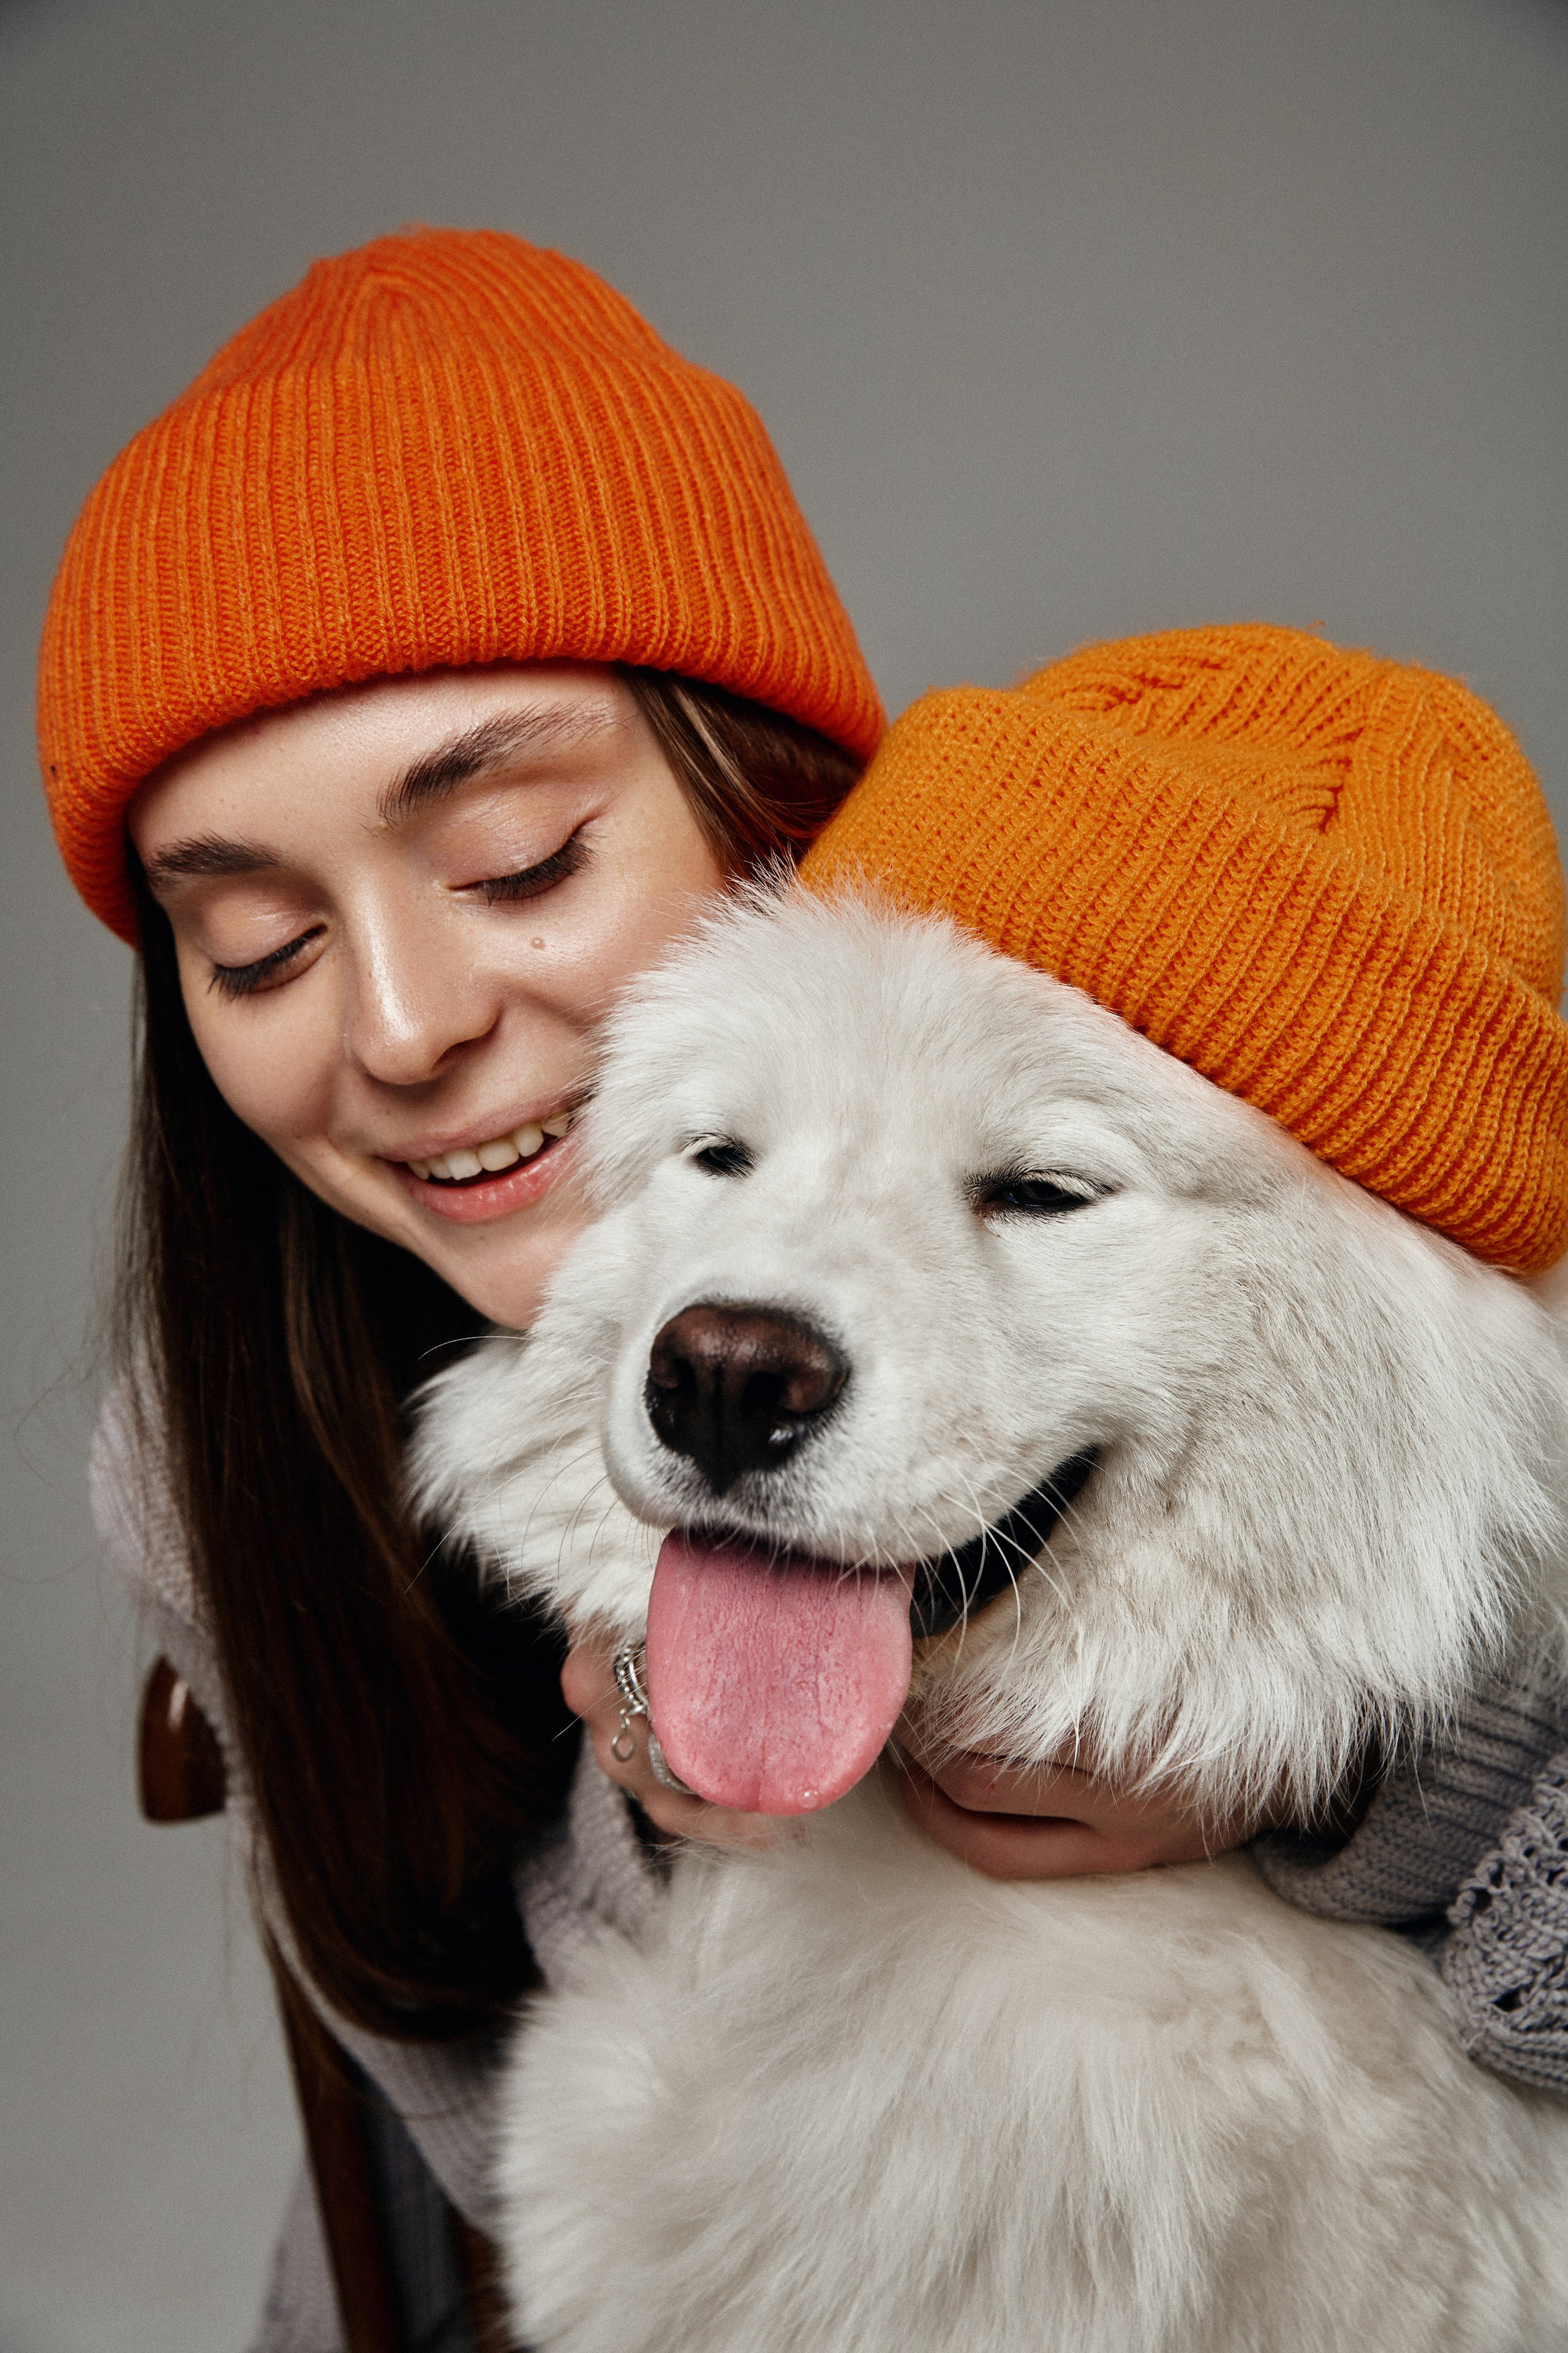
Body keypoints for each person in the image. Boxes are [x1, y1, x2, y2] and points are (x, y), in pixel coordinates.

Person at [39, 230, 1564, 2353]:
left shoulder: (1144, 1056)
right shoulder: (219, 1451)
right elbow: (515, 2165)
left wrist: (1347, 1771)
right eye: (260, 950)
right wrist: (681, 1797)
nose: (397, 1025)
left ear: (783, 817)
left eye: (518, 863)